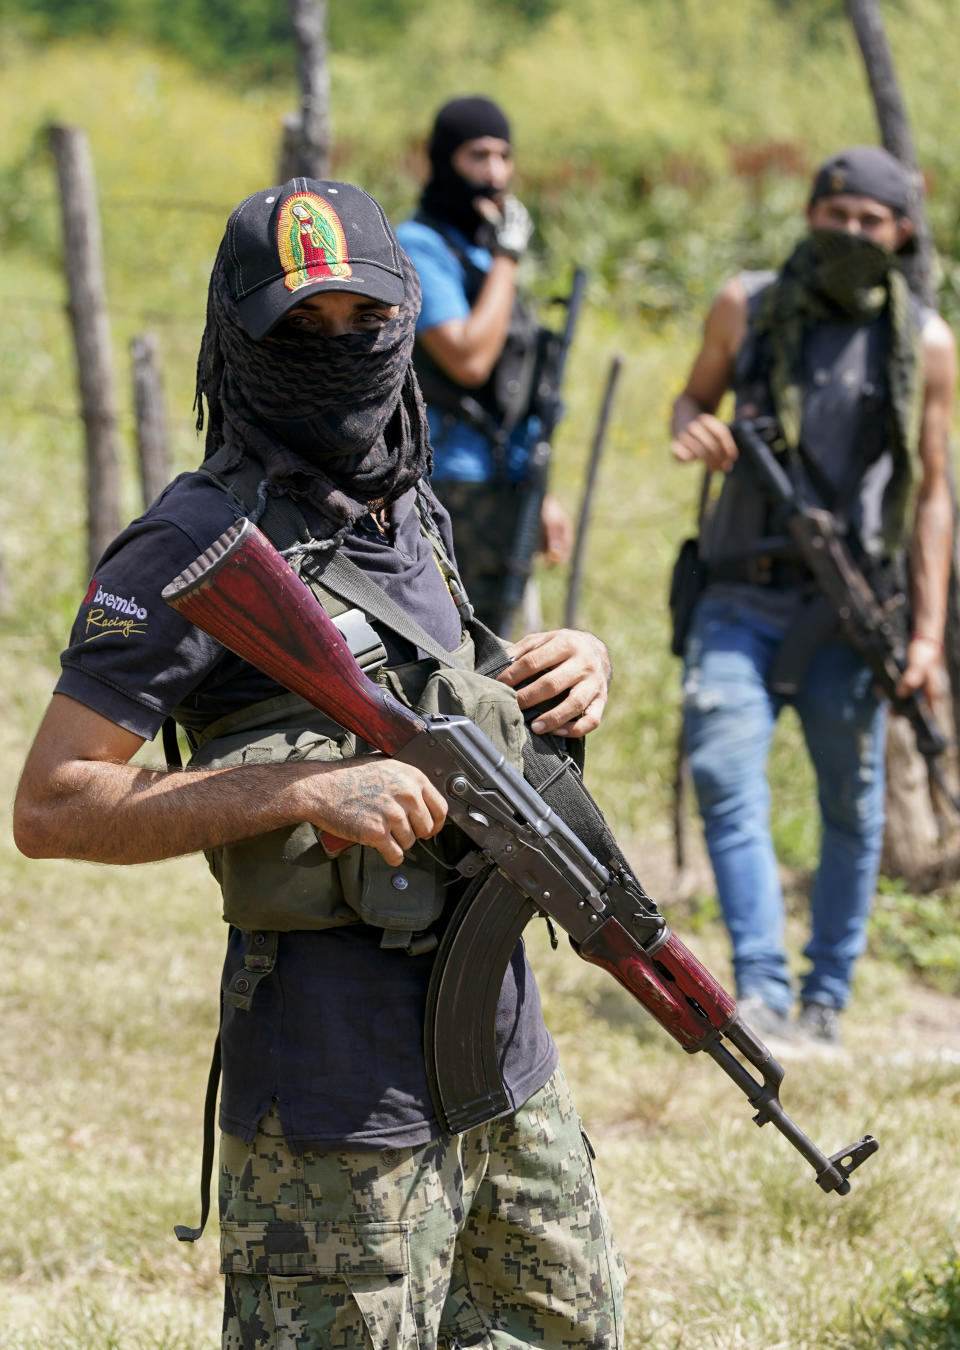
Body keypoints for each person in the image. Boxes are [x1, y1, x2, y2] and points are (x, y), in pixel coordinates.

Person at [13, 178, 625, 1349]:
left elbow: (448, 696)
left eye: (365, 322)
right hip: (337, 1093)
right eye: (299, 331)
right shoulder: (193, 546)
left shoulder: (407, 502)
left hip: (504, 1059)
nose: (339, 354)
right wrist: (297, 789)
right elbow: (50, 806)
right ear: (235, 343)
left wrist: (573, 666)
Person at [670, 145, 956, 1047]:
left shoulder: (928, 341)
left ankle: (826, 1000)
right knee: (723, 770)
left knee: (851, 801)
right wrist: (698, 431)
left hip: (851, 608)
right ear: (809, 215)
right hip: (740, 589)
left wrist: (927, 635)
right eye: (835, 217)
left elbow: (935, 492)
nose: (850, 234)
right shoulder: (746, 304)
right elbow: (688, 401)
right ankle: (758, 990)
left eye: (871, 222)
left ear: (901, 231)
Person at [396, 95, 573, 635]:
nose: (494, 174)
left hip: (507, 480)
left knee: (501, 650)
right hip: (449, 483)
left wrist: (540, 492)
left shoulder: (483, 251)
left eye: (503, 156)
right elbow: (470, 359)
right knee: (450, 648)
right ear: (445, 159)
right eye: (477, 156)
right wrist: (507, 260)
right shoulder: (420, 245)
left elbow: (510, 392)